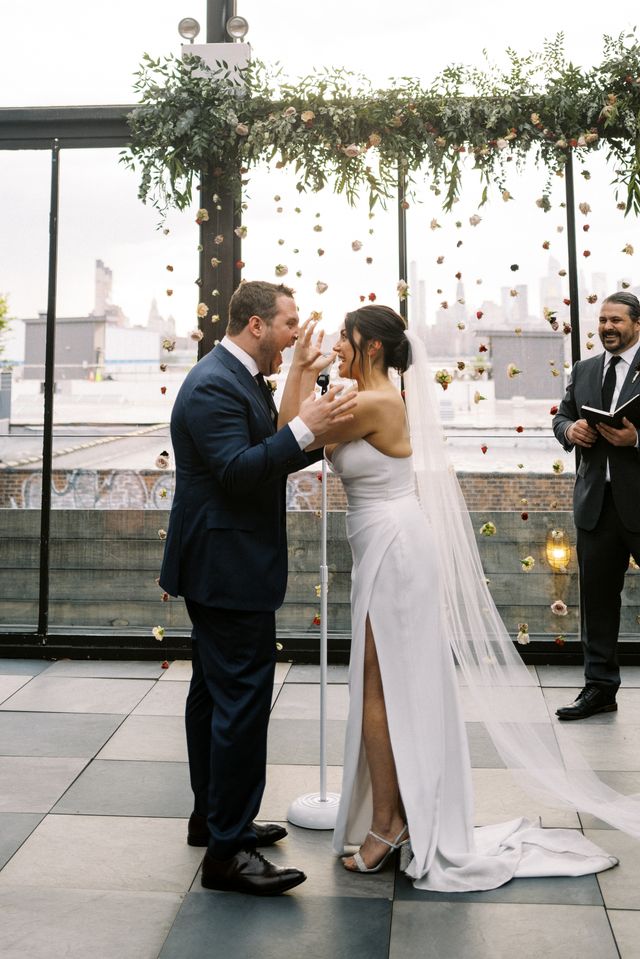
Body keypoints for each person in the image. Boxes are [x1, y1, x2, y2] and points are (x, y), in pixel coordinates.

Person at [280, 303, 640, 892]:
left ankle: (389, 824)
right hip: (381, 544)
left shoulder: (374, 403)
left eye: (345, 337)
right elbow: (295, 435)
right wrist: (302, 373)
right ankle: (395, 817)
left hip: (395, 547)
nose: (336, 345)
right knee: (379, 686)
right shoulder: (358, 396)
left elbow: (289, 439)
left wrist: (299, 369)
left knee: (377, 686)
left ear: (372, 346)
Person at [159, 280, 356, 896]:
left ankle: (214, 820)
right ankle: (229, 855)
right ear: (256, 325)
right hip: (226, 568)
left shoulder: (236, 375)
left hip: (222, 563)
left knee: (212, 697)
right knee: (241, 704)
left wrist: (306, 428)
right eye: (289, 323)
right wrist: (304, 430)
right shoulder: (214, 384)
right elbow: (237, 472)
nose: (295, 333)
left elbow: (263, 452)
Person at [553, 292, 640, 720]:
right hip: (596, 506)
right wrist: (570, 431)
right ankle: (600, 689)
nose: (607, 327)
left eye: (616, 320)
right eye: (603, 320)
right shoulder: (584, 369)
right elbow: (562, 417)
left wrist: (637, 439)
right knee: (598, 602)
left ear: (637, 324)